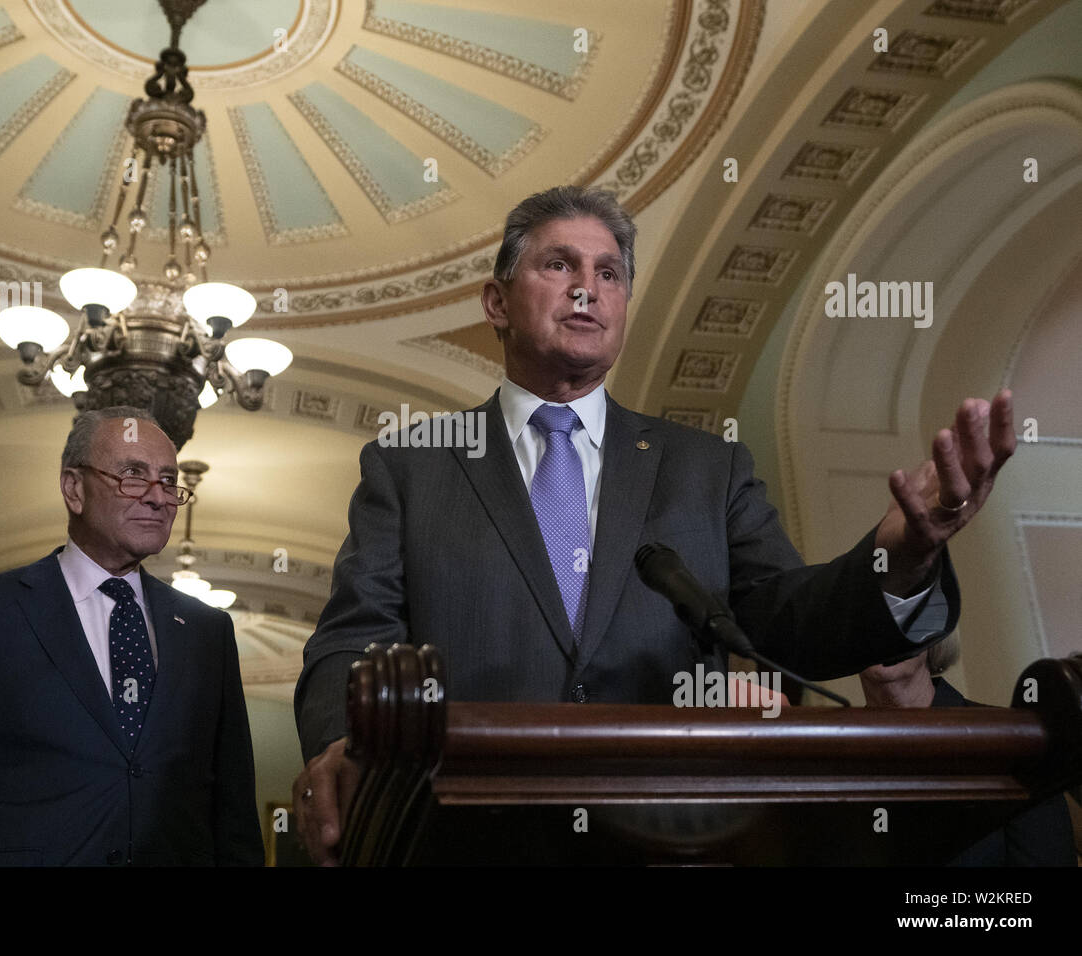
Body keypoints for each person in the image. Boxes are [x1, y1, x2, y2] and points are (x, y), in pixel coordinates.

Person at [292, 185, 1017, 864]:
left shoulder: (708, 468)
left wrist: (904, 552)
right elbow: (354, 636)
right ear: (497, 303)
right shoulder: (413, 464)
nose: (588, 287)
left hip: (670, 833)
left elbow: (787, 623)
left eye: (610, 274)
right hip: (464, 837)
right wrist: (335, 742)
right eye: (558, 264)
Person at [0, 406, 263, 865]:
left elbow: (233, 815)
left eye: (169, 481)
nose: (159, 498)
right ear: (74, 488)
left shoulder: (207, 631)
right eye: (133, 475)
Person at [859, 639, 1076, 865]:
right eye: (863, 621)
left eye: (899, 614)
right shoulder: (829, 758)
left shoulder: (1015, 740)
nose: (880, 633)